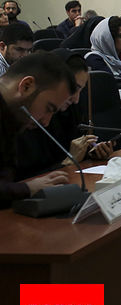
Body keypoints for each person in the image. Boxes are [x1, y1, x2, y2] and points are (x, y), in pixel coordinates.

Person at [16, 50, 116, 179]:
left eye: (81, 90)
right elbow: (23, 179)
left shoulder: (70, 111)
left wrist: (91, 153)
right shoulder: (27, 118)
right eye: (73, 89)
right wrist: (69, 161)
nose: (76, 99)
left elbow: (72, 149)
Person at [0, 53, 77, 208]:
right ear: (26, 86)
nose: (46, 122)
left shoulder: (11, 118)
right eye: (48, 109)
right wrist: (27, 188)